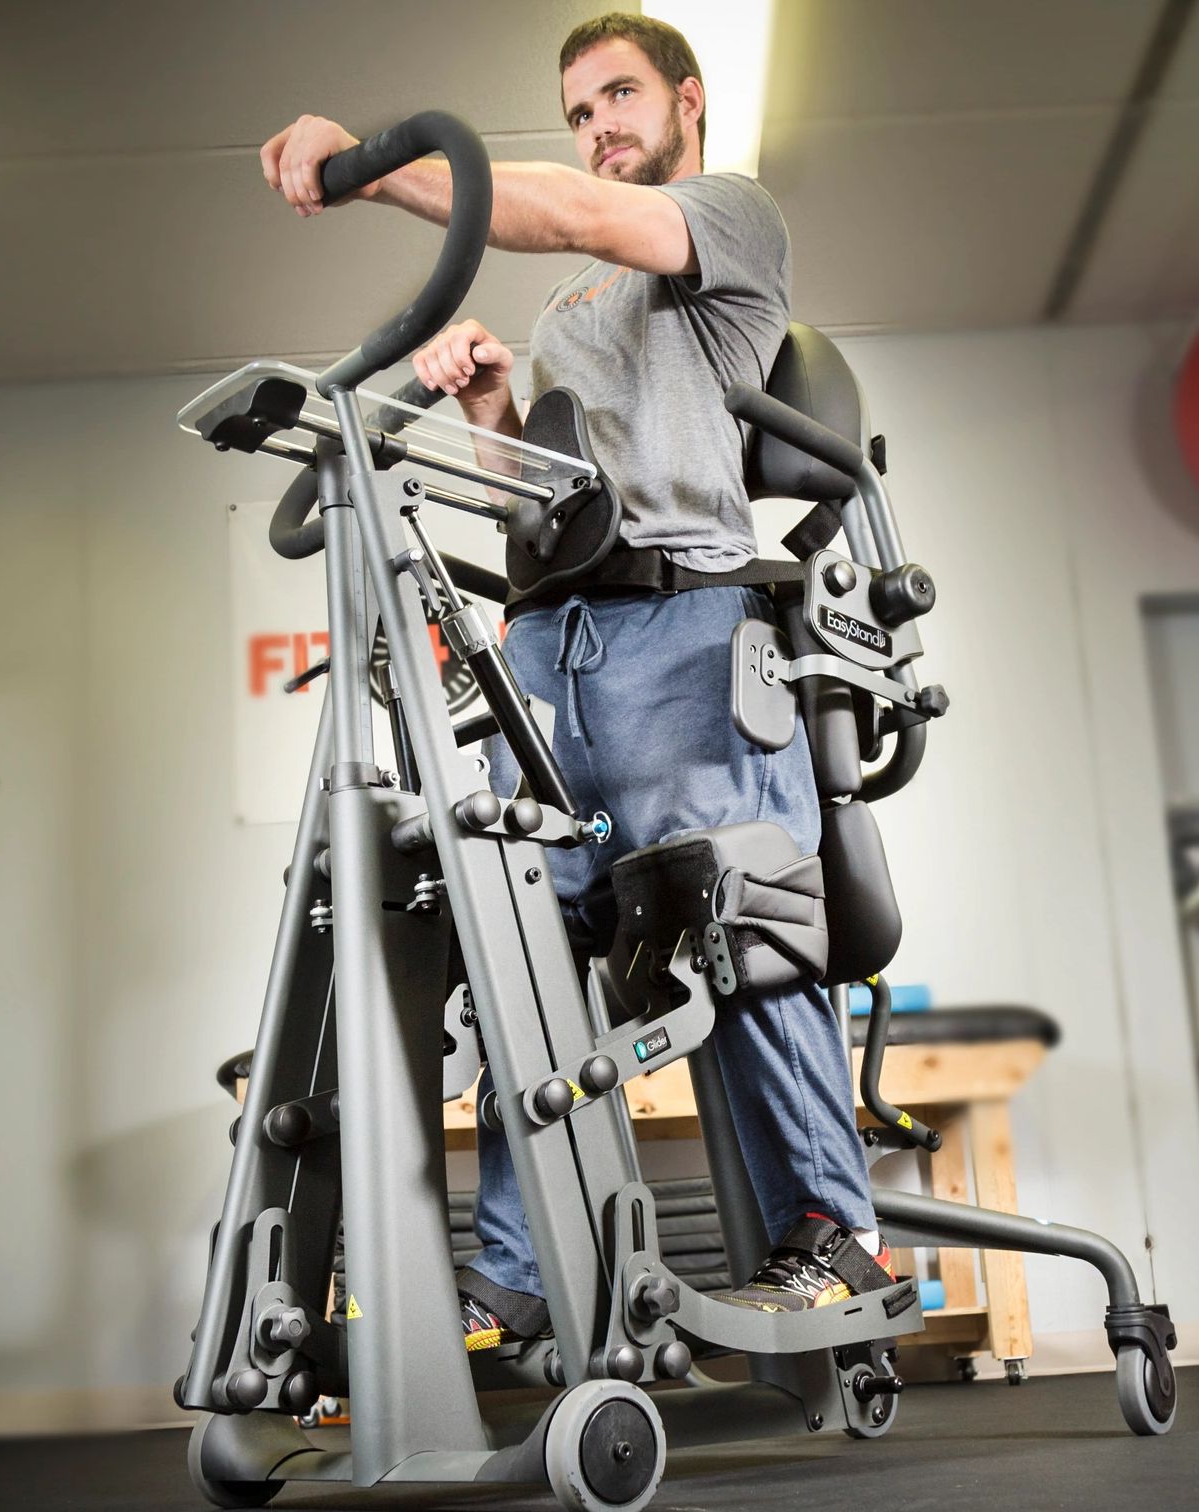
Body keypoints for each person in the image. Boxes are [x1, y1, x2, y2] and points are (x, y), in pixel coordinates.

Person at [259, 12, 893, 1350]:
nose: (601, 123)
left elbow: (576, 214)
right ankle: (518, 1269)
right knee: (519, 957)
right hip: (556, 646)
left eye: (619, 95)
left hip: (689, 628)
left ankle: (834, 1238)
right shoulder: (568, 315)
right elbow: (541, 511)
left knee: (745, 937)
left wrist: (374, 171)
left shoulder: (724, 217)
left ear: (685, 100)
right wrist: (491, 409)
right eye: (580, 108)